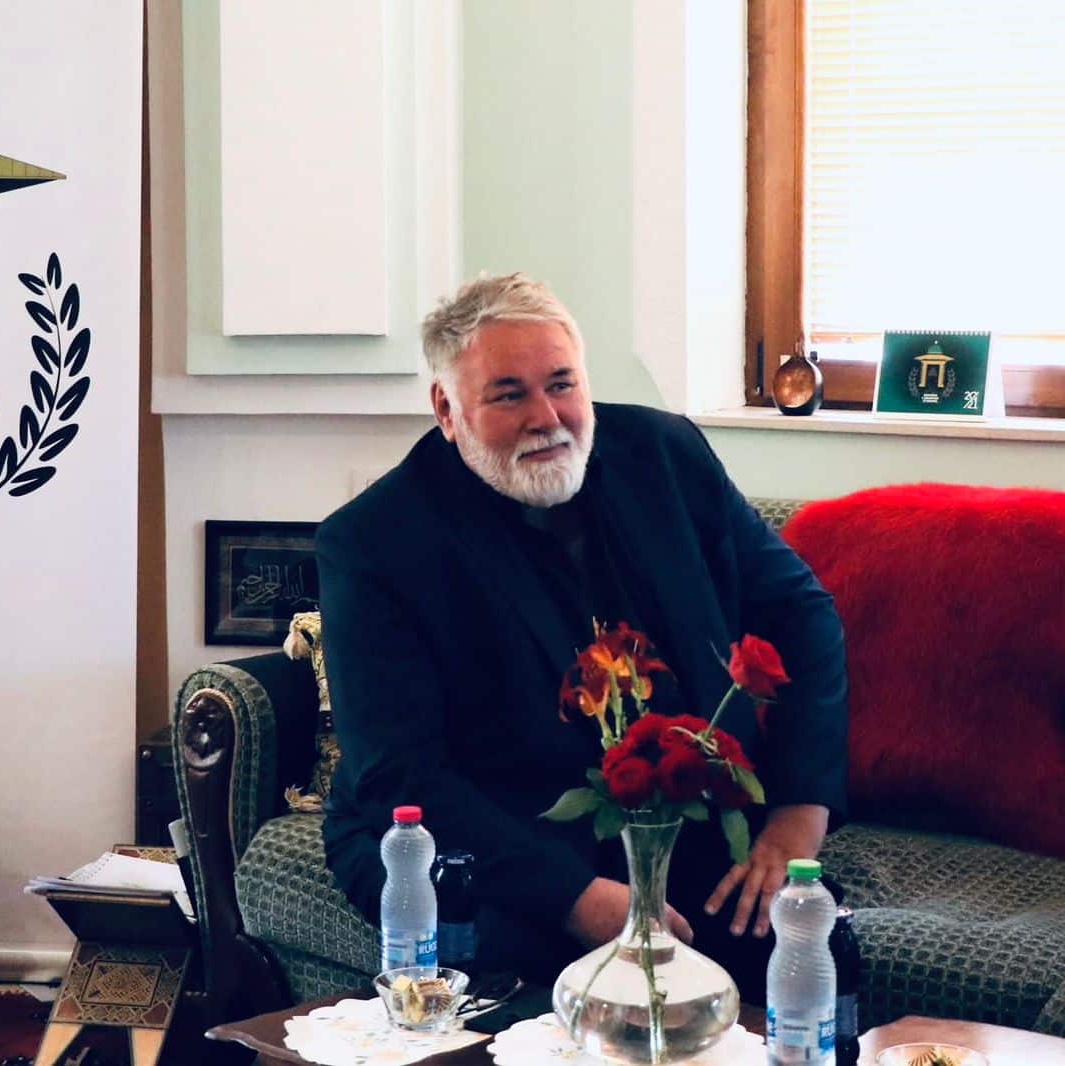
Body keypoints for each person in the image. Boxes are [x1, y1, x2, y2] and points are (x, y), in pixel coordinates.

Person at [316, 274, 848, 999]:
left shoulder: (665, 455)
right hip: (471, 834)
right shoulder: (374, 542)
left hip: (667, 811)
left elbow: (802, 615)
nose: (547, 418)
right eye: (509, 395)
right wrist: (574, 897)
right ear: (447, 409)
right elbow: (400, 776)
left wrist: (798, 816)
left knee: (799, 946)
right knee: (538, 976)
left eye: (562, 385)